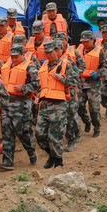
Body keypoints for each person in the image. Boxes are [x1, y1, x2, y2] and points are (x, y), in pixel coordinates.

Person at [36, 41, 79, 169]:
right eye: (47, 53)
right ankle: (52, 155)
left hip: (59, 103)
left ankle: (57, 160)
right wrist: (38, 95)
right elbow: (42, 83)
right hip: (45, 103)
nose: (48, 55)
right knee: (39, 134)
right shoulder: (44, 65)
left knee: (55, 135)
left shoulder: (65, 64)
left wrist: (62, 78)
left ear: (57, 51)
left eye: (51, 52)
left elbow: (76, 81)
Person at [0, 45, 40, 170]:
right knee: (6, 132)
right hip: (6, 103)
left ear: (23, 55)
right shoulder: (7, 67)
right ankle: (8, 161)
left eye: (16, 57)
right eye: (12, 57)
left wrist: (23, 88)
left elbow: (37, 84)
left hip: (21, 104)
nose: (14, 59)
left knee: (22, 132)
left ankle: (31, 151)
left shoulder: (30, 67)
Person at [76, 30, 107, 138]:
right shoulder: (78, 51)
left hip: (93, 85)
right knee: (79, 106)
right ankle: (87, 121)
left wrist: (98, 73)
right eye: (83, 41)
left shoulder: (99, 51)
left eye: (87, 41)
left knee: (94, 109)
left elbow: (106, 67)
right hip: (80, 84)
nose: (84, 43)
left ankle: (97, 128)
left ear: (92, 40)